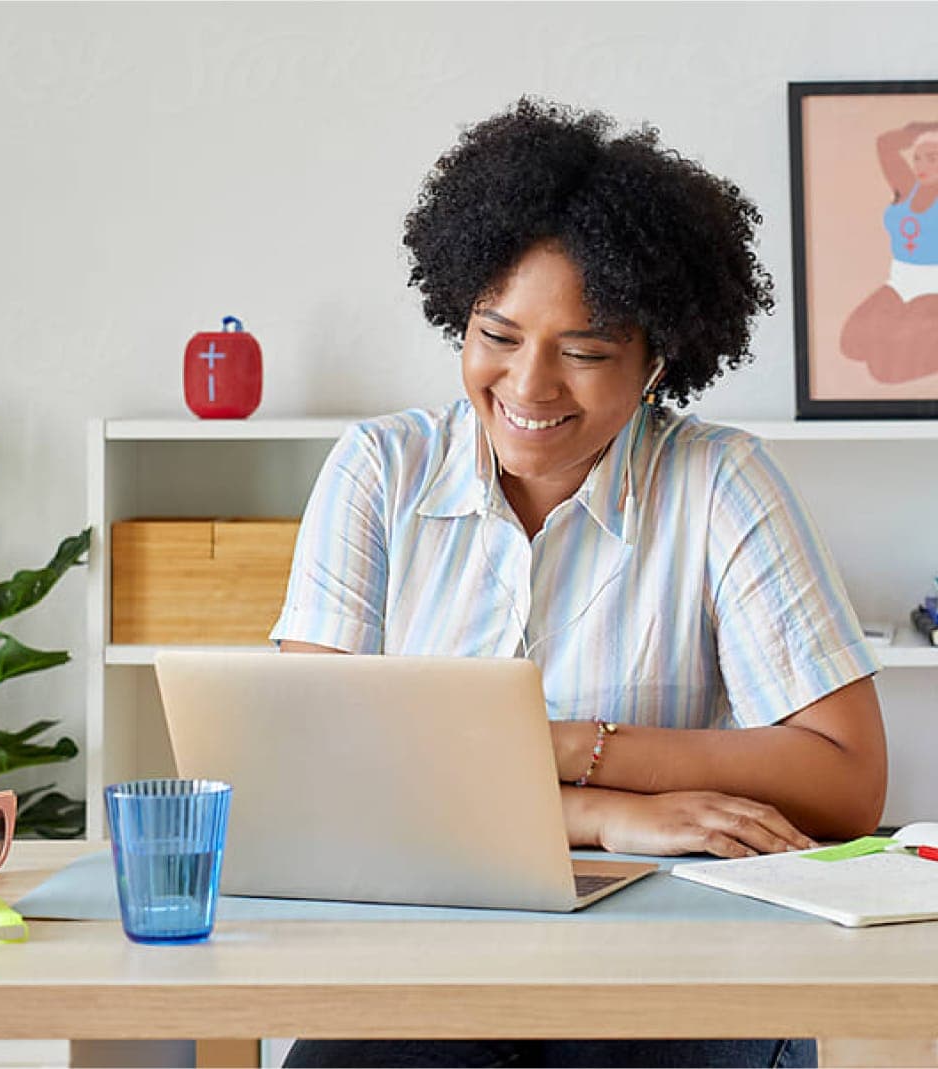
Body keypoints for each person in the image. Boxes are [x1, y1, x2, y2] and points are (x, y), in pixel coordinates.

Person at [270, 98, 887, 1069]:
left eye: (587, 352)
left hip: (669, 962)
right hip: (421, 963)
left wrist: (564, 747)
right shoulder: (378, 470)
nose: (528, 386)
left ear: (656, 361)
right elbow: (316, 777)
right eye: (497, 334)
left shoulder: (722, 481)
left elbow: (846, 782)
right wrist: (604, 811)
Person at [840, 120, 938, 382]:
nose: (922, 166)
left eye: (932, 158)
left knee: (885, 371)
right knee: (853, 345)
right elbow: (885, 144)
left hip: (934, 288)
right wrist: (921, 130)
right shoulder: (908, 188)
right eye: (917, 158)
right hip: (899, 282)